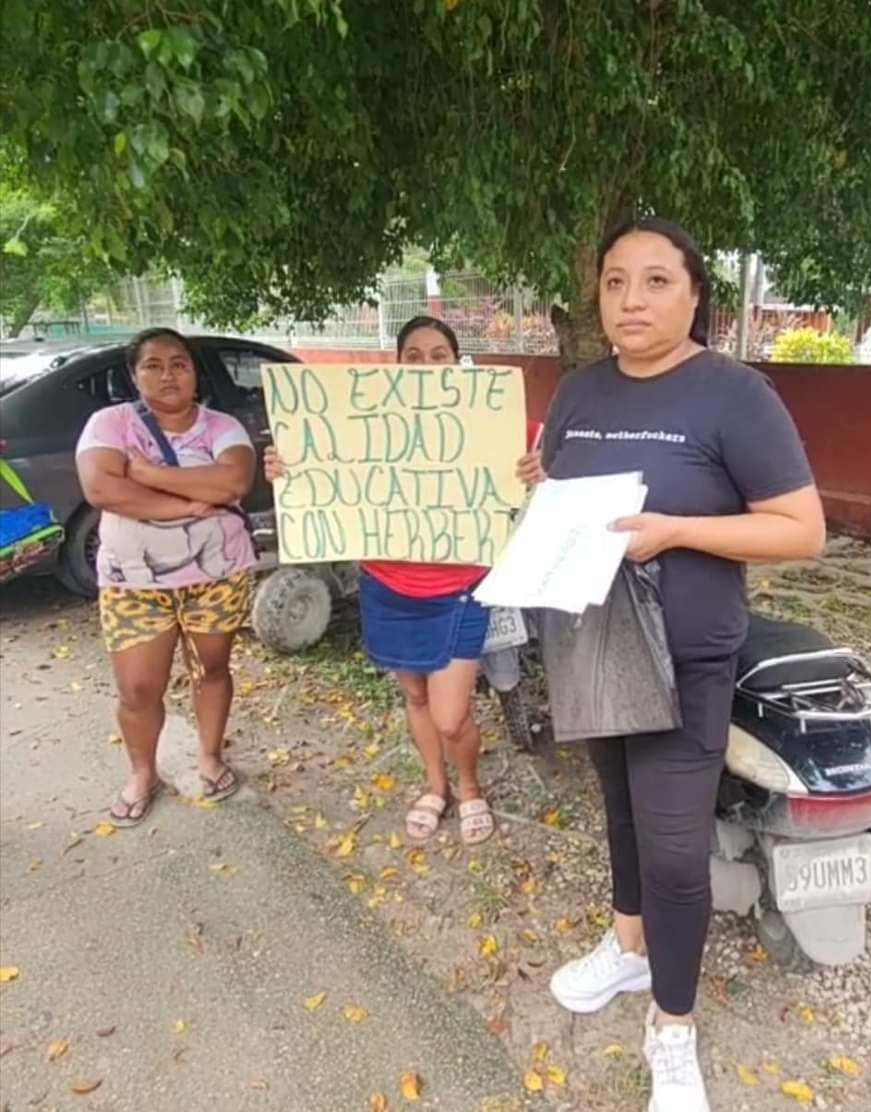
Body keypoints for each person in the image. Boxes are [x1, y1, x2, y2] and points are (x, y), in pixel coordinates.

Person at [539, 218, 825, 1112]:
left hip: (686, 659)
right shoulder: (581, 391)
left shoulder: (734, 395)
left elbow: (801, 530)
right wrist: (533, 484)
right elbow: (562, 492)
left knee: (672, 854)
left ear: (696, 296)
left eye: (656, 281)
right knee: (621, 815)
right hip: (590, 641)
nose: (632, 300)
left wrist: (674, 533)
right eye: (616, 281)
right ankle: (629, 951)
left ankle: (673, 1027)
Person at [265, 317, 543, 845]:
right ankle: (437, 786)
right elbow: (315, 456)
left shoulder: (492, 418)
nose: (425, 365)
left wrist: (537, 469)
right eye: (412, 356)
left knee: (451, 715)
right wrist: (287, 466)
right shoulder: (366, 418)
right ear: (397, 364)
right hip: (386, 583)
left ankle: (470, 785)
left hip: (459, 587)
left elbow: (543, 464)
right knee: (414, 697)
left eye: (438, 354)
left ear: (456, 363)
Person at [75, 328, 257, 825]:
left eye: (179, 363)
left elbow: (234, 481)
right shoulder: (108, 424)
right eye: (153, 365)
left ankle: (210, 757)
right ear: (134, 375)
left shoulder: (223, 427)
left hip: (218, 576)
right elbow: (101, 489)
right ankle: (141, 773)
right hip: (134, 583)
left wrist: (149, 475)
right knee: (137, 688)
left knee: (213, 669)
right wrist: (194, 504)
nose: (168, 373)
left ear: (194, 372)